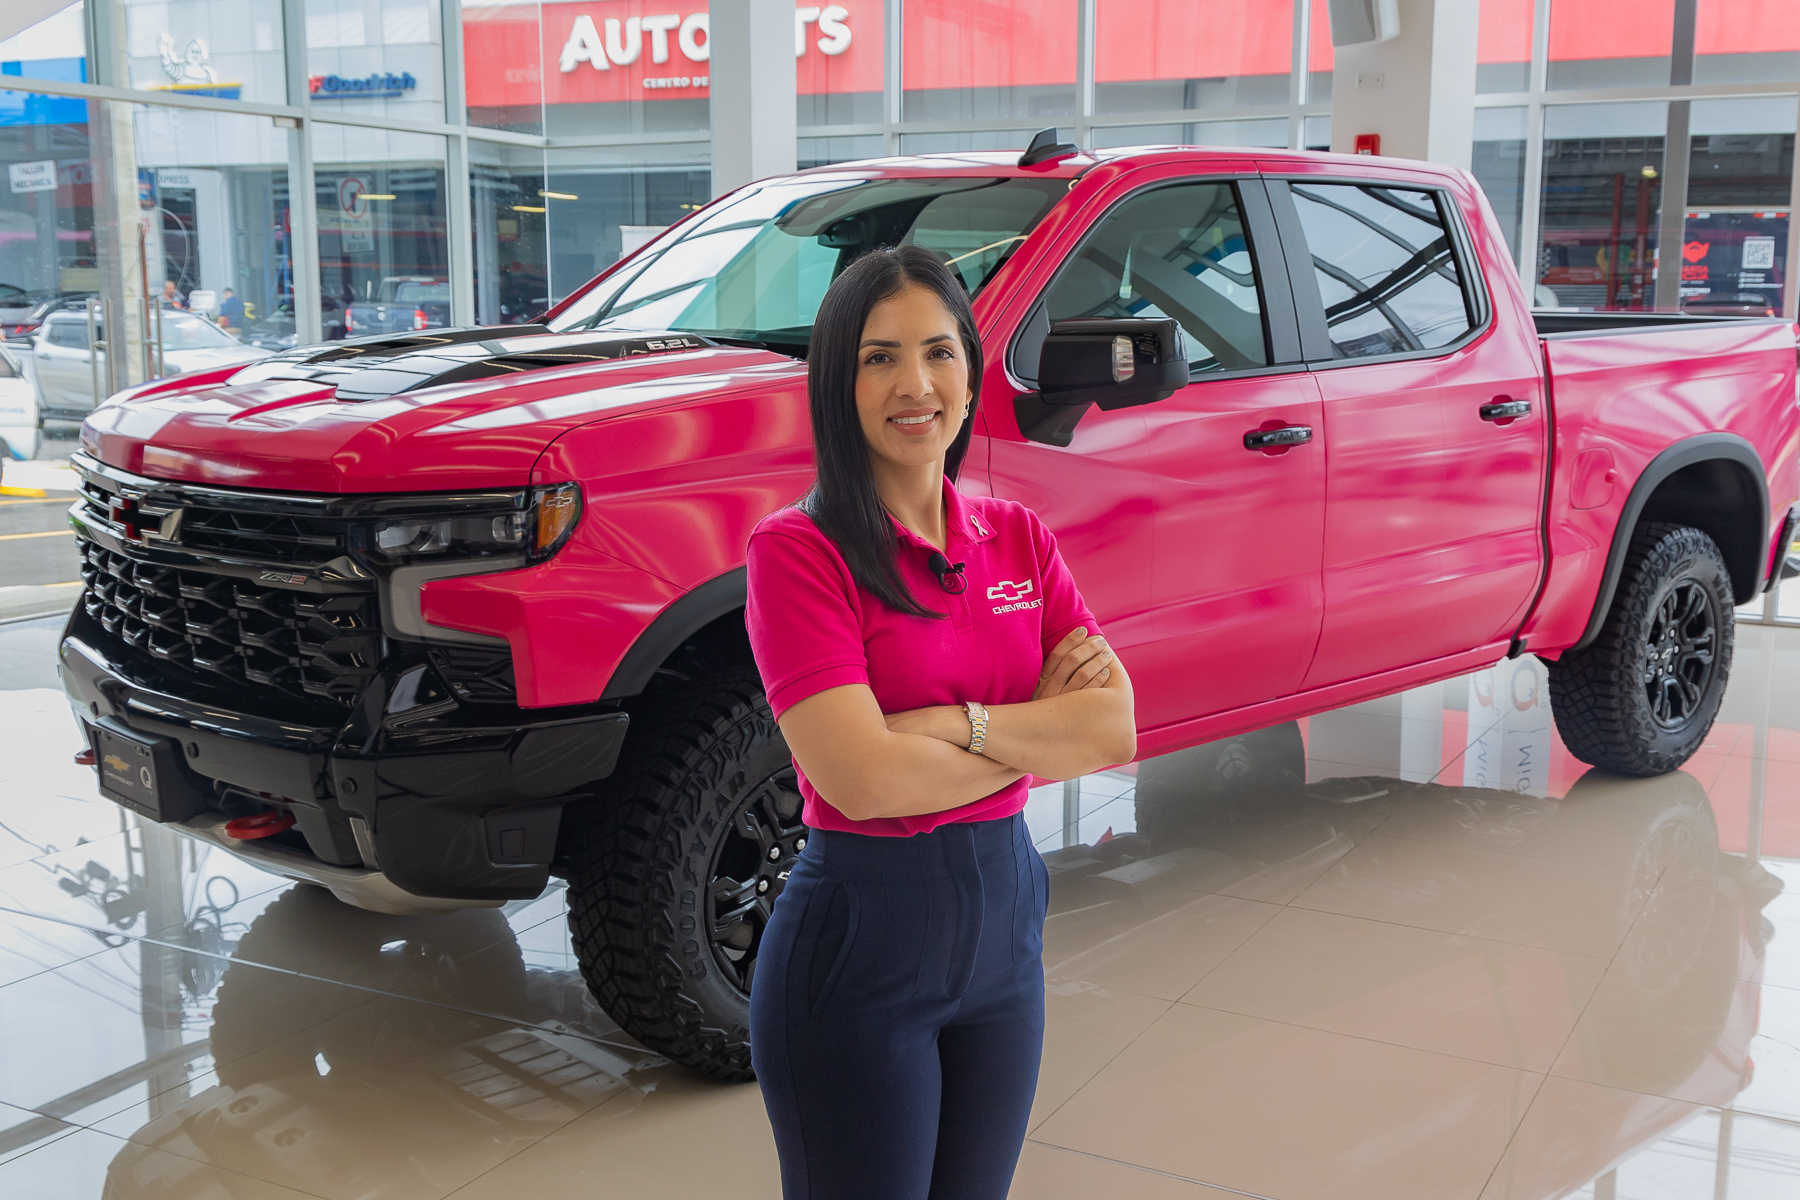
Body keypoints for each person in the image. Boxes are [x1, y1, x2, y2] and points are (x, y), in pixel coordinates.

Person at [745, 245, 1136, 1200]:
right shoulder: (799, 553)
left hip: (1005, 939)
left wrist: (950, 726)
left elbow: (1113, 729)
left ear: (969, 366)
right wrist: (1030, 728)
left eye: (937, 352)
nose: (913, 384)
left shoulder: (1016, 538)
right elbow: (863, 781)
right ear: (837, 382)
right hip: (859, 951)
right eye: (878, 357)